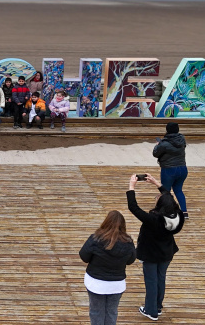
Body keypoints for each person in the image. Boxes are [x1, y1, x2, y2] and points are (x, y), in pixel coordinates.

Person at [127, 174, 185, 321]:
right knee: (161, 279)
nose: (156, 199)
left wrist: (131, 186)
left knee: (151, 281)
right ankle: (158, 307)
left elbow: (133, 207)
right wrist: (156, 183)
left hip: (151, 254)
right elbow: (169, 197)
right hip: (166, 253)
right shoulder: (178, 216)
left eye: (157, 199)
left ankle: (151, 311)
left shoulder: (153, 220)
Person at [79, 211, 136, 325]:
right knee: (112, 312)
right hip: (116, 284)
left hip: (96, 283)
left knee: (96, 312)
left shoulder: (95, 239)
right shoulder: (128, 242)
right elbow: (131, 260)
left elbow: (84, 256)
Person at [153, 123, 188, 219]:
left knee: (165, 192)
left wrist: (157, 145)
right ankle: (184, 212)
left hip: (169, 170)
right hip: (183, 169)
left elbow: (155, 153)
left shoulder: (164, 143)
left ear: (167, 130)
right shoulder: (182, 140)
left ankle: (165, 212)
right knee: (178, 190)